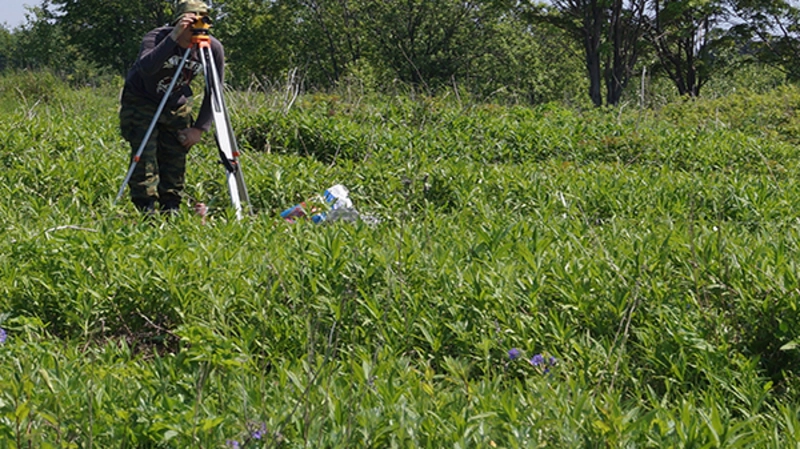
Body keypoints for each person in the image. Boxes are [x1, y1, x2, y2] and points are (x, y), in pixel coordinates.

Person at [119, 0, 224, 214]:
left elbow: (214, 91)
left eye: (201, 21)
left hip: (176, 101)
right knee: (145, 155)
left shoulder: (211, 47)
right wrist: (173, 37)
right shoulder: (156, 37)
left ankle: (171, 206)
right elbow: (146, 68)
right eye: (190, 22)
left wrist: (199, 128)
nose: (195, 29)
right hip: (142, 99)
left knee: (175, 155)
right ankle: (145, 208)